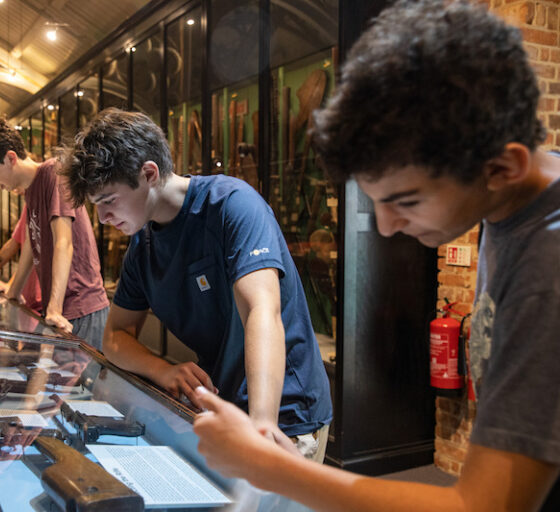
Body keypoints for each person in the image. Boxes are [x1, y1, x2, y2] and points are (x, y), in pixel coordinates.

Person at [192, 0, 560, 510]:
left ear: (502, 167)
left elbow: (486, 505)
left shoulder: (548, 265)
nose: (386, 226)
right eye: (376, 201)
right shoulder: (515, 206)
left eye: (404, 201)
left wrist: (271, 468)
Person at [62, 108, 332, 460]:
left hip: (283, 412)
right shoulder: (142, 248)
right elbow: (114, 337)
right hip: (221, 408)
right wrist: (164, 369)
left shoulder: (231, 205)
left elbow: (261, 311)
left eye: (109, 201)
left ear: (148, 173)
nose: (102, 217)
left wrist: (262, 428)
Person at [0, 115, 109, 350]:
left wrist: (54, 309)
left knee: (79, 384)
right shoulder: (31, 190)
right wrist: (13, 292)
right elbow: (30, 244)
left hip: (80, 306)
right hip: (60, 309)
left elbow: (63, 242)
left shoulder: (53, 173)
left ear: (10, 158)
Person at [0, 205, 42, 314]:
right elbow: (13, 243)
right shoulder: (29, 205)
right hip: (25, 298)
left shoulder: (42, 201)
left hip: (43, 302)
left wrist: (11, 286)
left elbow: (32, 250)